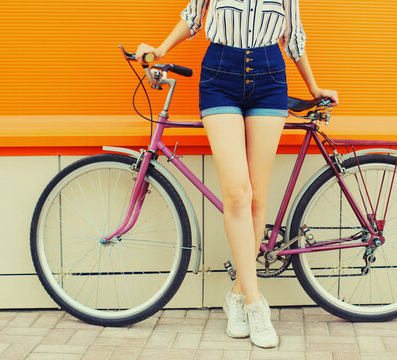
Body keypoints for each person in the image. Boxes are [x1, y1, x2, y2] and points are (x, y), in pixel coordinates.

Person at [136, 0, 338, 348]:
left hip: (270, 77)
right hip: (219, 76)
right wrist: (161, 49)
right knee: (237, 194)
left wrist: (314, 88)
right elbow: (192, 19)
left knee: (257, 195)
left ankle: (237, 295)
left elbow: (294, 40)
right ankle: (257, 304)